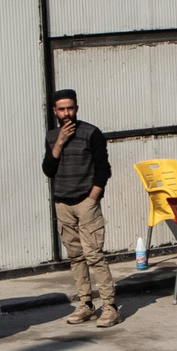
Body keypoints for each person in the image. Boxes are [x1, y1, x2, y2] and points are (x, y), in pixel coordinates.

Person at [41, 89, 119, 326]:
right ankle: (86, 304)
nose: (67, 113)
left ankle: (110, 307)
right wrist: (59, 142)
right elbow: (48, 170)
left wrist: (93, 196)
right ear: (55, 111)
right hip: (62, 202)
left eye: (70, 108)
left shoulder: (91, 133)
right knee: (76, 256)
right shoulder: (52, 136)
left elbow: (103, 168)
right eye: (62, 109)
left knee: (94, 254)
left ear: (76, 108)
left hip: (86, 202)